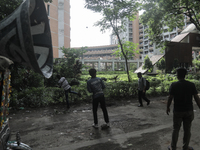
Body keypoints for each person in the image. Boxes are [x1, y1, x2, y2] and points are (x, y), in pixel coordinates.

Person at [166, 68, 200, 150]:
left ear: (177, 75)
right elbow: (196, 97)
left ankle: (173, 147)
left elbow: (170, 98)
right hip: (189, 111)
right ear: (185, 75)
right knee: (187, 129)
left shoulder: (174, 85)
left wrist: (168, 107)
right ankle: (185, 147)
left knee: (176, 129)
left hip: (178, 111)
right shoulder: (191, 85)